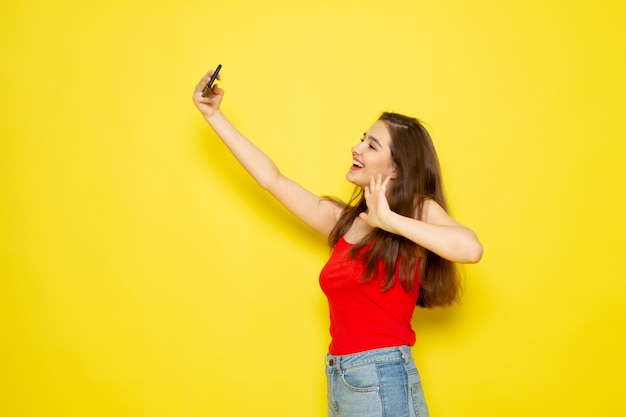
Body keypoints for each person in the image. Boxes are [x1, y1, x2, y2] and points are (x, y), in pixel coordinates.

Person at [193, 68, 483, 417]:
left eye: (371, 145)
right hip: (342, 377)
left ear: (395, 168)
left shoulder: (417, 211)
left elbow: (471, 249)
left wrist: (388, 220)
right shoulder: (345, 220)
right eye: (362, 138)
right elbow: (272, 179)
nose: (356, 147)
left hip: (382, 374)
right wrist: (214, 115)